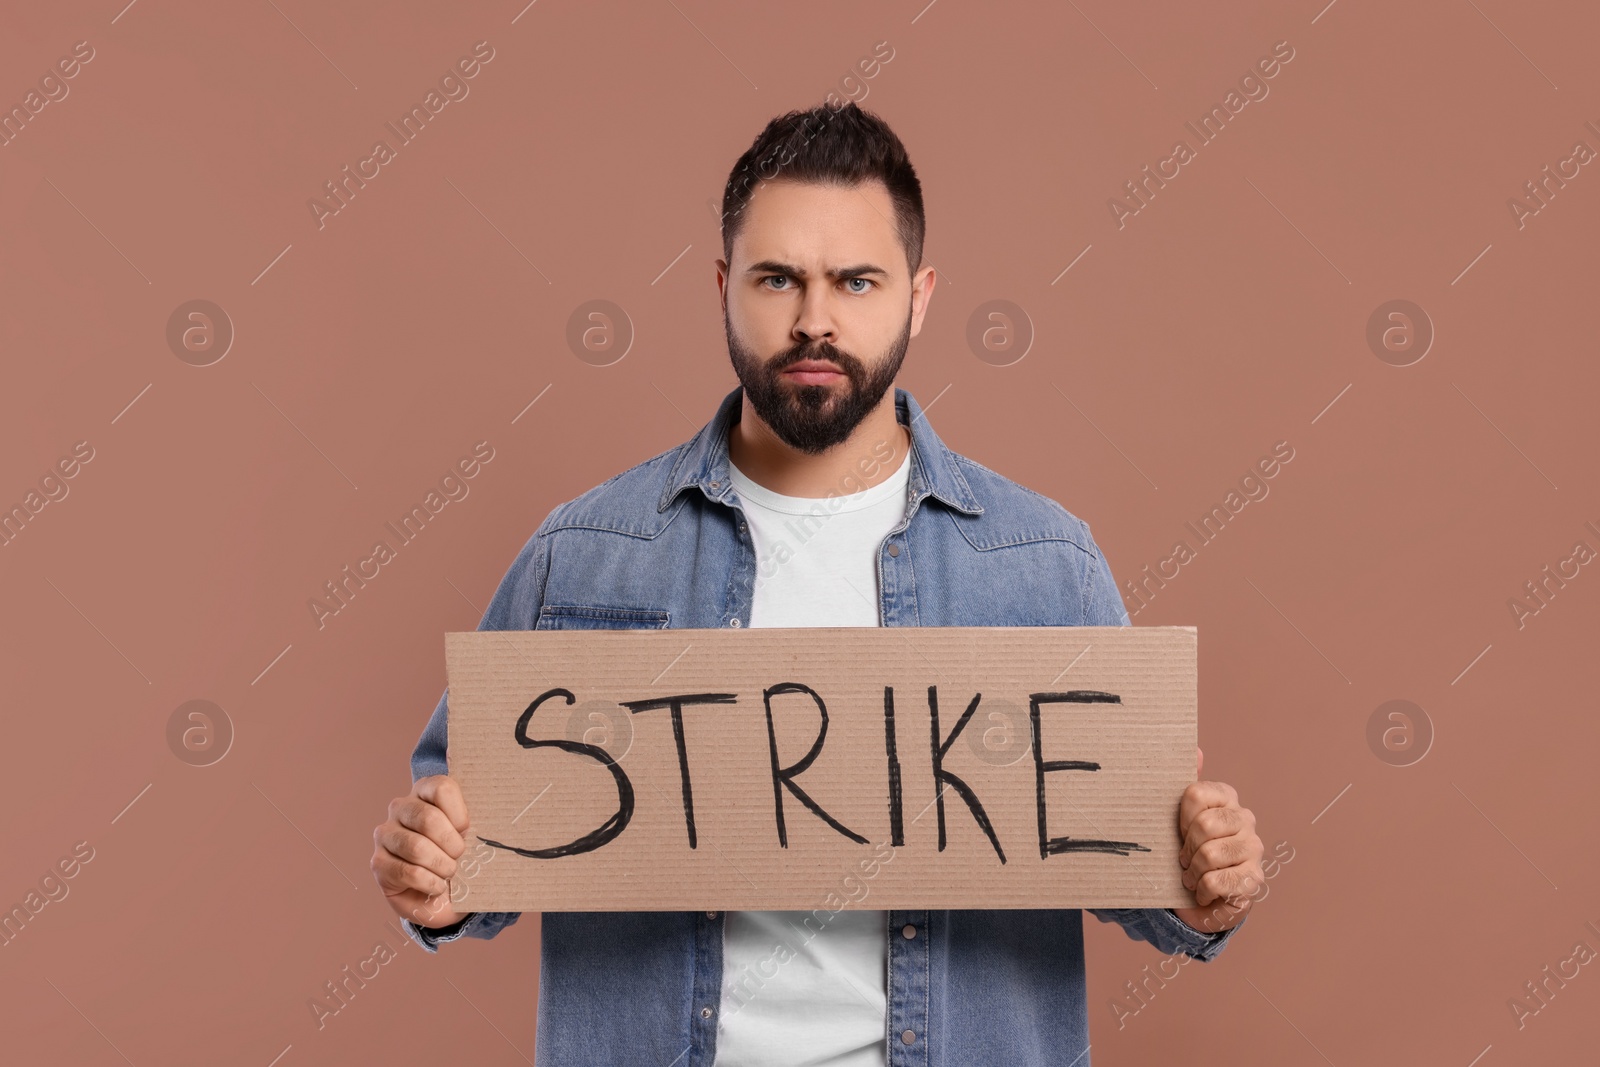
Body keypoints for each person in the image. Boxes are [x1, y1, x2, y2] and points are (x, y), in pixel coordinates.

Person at [370, 101, 1264, 1067]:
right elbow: (473, 840)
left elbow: (1138, 867)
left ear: (918, 298)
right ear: (722, 287)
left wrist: (1206, 883)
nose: (814, 320)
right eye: (777, 278)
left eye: (856, 281)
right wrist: (436, 877)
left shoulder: (1044, 564)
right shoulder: (584, 551)